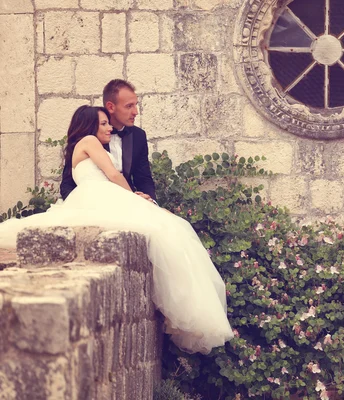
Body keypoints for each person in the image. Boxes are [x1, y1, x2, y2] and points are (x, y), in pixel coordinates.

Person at [0, 105, 233, 354]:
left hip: (101, 194)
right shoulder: (88, 140)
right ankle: (189, 309)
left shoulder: (89, 145)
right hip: (100, 195)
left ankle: (188, 308)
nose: (109, 127)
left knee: (171, 225)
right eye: (103, 123)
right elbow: (112, 174)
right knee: (168, 227)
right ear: (89, 125)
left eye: (107, 123)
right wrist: (134, 197)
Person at [60, 79, 156, 203]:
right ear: (111, 107)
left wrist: (151, 203)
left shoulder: (138, 136)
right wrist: (81, 209)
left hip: (127, 201)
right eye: (129, 106)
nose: (136, 112)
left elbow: (143, 179)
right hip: (94, 205)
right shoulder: (89, 138)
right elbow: (67, 184)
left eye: (136, 104)